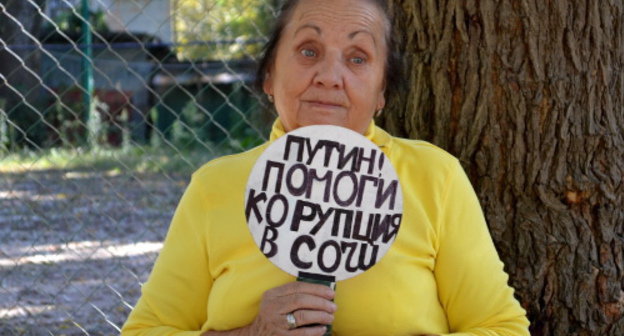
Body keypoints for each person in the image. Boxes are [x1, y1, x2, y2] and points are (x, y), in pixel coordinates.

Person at [121, 0, 530, 335]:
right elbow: (146, 330)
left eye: (357, 58)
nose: (330, 77)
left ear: (381, 90)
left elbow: (502, 328)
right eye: (309, 51)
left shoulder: (434, 177)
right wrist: (251, 334)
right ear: (268, 75)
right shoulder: (216, 186)